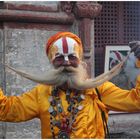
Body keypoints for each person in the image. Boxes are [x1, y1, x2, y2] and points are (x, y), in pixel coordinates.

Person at [1, 32, 140, 139]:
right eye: (59, 58)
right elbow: (6, 110)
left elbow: (136, 101)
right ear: (52, 62)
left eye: (72, 57)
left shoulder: (99, 90)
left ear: (79, 61)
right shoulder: (41, 93)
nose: (66, 63)